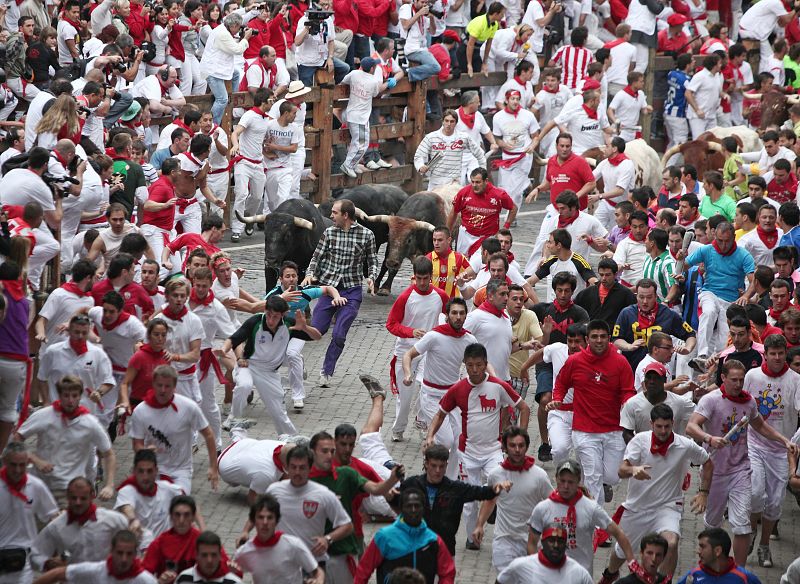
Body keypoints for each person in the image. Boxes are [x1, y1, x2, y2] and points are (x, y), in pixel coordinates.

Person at [686, 359, 799, 567]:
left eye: (741, 380)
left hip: (740, 470)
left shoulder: (749, 402)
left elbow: (760, 426)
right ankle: (709, 567)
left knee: (742, 526)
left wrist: (784, 440)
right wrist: (709, 439)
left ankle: (739, 573)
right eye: (734, 380)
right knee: (713, 525)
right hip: (715, 472)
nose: (738, 384)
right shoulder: (711, 400)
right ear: (723, 378)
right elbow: (691, 427)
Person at [424, 342, 528, 549]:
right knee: (469, 503)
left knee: (501, 485)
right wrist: (430, 436)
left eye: (479, 365)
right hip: (467, 454)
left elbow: (524, 408)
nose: (474, 370)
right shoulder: (458, 389)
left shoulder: (498, 386)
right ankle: (473, 539)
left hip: (493, 451)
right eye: (470, 365)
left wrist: (521, 438)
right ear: (464, 364)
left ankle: (496, 516)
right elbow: (440, 414)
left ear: (485, 364)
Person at [601, 404, 712, 582]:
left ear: (673, 423)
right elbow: (622, 470)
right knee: (621, 552)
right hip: (638, 506)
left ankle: (664, 581)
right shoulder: (639, 441)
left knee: (672, 542)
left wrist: (703, 493)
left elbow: (707, 461)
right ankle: (609, 574)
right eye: (658, 426)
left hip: (667, 507)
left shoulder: (684, 444)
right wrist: (633, 470)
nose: (663, 431)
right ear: (651, 423)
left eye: (667, 426)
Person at [548, 320, 635, 507]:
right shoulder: (575, 361)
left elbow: (628, 390)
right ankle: (596, 527)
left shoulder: (620, 362)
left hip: (613, 429)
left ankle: (584, 482)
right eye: (594, 337)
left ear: (609, 339)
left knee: (611, 477)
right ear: (587, 340)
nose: (599, 340)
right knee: (594, 477)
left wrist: (627, 402)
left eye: (603, 337)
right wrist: (558, 398)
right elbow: (561, 383)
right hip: (584, 430)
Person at [308, 431, 403, 581]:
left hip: (344, 550)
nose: (329, 455)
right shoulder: (302, 480)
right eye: (324, 451)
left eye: (331, 451)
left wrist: (392, 479)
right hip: (310, 551)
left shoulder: (347, 474)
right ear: (312, 452)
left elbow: (377, 488)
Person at [303, 199, 379, 386]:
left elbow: (373, 260)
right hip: (329, 289)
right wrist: (310, 273)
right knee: (316, 330)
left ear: (346, 215)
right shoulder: (329, 233)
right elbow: (316, 257)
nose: (331, 216)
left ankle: (327, 371)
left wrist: (371, 277)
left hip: (352, 291)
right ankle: (295, 359)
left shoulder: (367, 235)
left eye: (334, 213)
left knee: (339, 333)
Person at [742, 334, 800, 567]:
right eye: (772, 354)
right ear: (764, 354)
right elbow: (743, 407)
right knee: (756, 494)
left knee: (775, 502)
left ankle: (764, 545)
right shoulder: (752, 376)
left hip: (781, 449)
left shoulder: (795, 380)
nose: (777, 358)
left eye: (780, 353)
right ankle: (750, 532)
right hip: (754, 444)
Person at [223, 294, 319, 433]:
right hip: (248, 366)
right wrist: (223, 350)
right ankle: (233, 418)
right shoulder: (255, 321)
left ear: (283, 315)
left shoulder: (289, 324)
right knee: (245, 385)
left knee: (279, 412)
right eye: (268, 314)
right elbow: (234, 339)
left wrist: (304, 327)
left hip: (270, 373)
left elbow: (317, 336)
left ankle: (289, 437)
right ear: (265, 311)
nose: (270, 320)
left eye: (275, 317)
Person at [15, 375, 117, 505]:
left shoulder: (90, 423)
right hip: (40, 486)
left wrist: (109, 485)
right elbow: (17, 438)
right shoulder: (44, 415)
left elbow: (109, 453)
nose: (70, 400)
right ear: (59, 395)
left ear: (80, 397)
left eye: (74, 396)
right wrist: (34, 459)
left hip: (70, 490)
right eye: (66, 395)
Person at [401, 297, 477, 469]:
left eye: (462, 313)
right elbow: (408, 355)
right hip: (431, 396)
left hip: (454, 397)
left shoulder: (469, 340)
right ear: (447, 316)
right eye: (454, 313)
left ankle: (449, 477)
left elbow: (481, 364)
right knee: (448, 440)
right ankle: (431, 459)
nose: (458, 317)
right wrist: (407, 375)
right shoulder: (434, 336)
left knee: (460, 440)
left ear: (466, 316)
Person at [527, 459, 633, 574]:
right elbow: (532, 543)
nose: (566, 486)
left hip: (581, 575)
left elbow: (618, 532)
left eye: (570, 482)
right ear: (556, 478)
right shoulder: (543, 508)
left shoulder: (590, 508)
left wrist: (632, 561)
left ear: (578, 481)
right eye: (562, 481)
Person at [400, 444, 507, 555]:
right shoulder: (412, 484)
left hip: (445, 550)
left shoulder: (455, 489)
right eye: (433, 466)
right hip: (416, 547)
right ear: (426, 464)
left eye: (441, 466)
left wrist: (495, 489)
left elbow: (478, 492)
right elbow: (394, 501)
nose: (437, 470)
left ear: (446, 465)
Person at [129, 365, 219, 494]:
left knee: (178, 504)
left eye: (167, 386)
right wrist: (144, 452)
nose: (163, 390)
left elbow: (209, 434)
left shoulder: (188, 407)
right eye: (159, 385)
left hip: (180, 471)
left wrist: (213, 467)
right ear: (153, 384)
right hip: (152, 470)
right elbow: (137, 443)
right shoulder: (140, 411)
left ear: (175, 386)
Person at [386, 257, 448, 441]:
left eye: (425, 278)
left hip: (429, 352)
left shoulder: (440, 296)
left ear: (431, 277)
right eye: (419, 278)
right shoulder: (405, 297)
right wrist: (411, 332)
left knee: (425, 389)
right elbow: (391, 324)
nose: (422, 283)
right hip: (406, 352)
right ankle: (398, 428)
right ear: (414, 276)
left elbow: (451, 316)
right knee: (404, 398)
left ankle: (422, 420)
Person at [472, 427, 552, 571]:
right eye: (512, 445)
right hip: (504, 540)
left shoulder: (539, 476)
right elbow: (490, 500)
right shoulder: (496, 475)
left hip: (531, 541)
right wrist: (479, 525)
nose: (517, 450)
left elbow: (552, 502)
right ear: (505, 447)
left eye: (521, 446)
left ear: (527, 447)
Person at [680, 221, 756, 362]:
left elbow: (754, 280)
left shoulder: (743, 255)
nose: (723, 245)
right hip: (710, 293)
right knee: (708, 312)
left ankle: (717, 363)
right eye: (720, 240)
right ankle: (702, 355)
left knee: (724, 337)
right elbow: (684, 266)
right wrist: (680, 258)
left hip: (731, 300)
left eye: (727, 241)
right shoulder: (706, 250)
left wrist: (746, 296)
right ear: (714, 236)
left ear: (734, 237)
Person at [356, 488, 456, 584]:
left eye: (417, 506)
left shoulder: (433, 540)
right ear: (401, 508)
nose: (413, 510)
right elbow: (364, 570)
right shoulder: (384, 537)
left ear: (423, 508)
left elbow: (447, 573)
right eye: (409, 506)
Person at [30, 476, 128, 571]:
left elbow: (133, 542)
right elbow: (35, 554)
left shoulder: (113, 520)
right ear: (67, 496)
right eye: (74, 498)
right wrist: (47, 564)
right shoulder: (57, 526)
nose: (78, 502)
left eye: (83, 498)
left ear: (92, 496)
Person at [0, 441, 59, 584]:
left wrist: (57, 548)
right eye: (14, 464)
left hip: (24, 558)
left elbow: (53, 516)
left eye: (22, 465)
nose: (18, 470)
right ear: (5, 462)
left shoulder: (35, 485)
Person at [235, 495, 324, 584]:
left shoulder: (293, 545)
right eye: (260, 517)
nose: (265, 522)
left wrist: (319, 580)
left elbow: (317, 571)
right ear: (254, 521)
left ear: (276, 520)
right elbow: (231, 573)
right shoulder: (246, 551)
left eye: (270, 518)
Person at [613, 278, 696, 371]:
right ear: (636, 296)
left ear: (656, 296)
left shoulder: (668, 314)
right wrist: (629, 346)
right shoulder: (627, 313)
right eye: (641, 297)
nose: (645, 301)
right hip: (632, 368)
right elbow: (616, 339)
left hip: (660, 371)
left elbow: (690, 334)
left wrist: (687, 349)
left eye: (649, 297)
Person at [33, 529, 156, 584]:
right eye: (120, 553)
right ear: (112, 551)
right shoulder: (95, 570)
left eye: (129, 554)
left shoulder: (146, 580)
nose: (124, 559)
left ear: (135, 554)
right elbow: (57, 574)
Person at [339, 58, 393, 178]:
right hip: (360, 116)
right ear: (372, 68)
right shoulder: (373, 80)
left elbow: (344, 81)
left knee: (358, 142)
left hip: (354, 113)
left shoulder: (354, 74)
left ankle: (353, 164)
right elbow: (375, 93)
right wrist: (387, 84)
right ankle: (348, 165)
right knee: (361, 144)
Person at [229, 88, 271, 242]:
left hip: (258, 163)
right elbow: (235, 133)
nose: (272, 103)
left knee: (257, 196)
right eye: (271, 101)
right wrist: (235, 145)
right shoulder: (249, 116)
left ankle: (249, 218)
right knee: (241, 194)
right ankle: (236, 229)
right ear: (263, 102)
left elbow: (263, 139)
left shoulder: (267, 119)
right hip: (244, 162)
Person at [447, 167, 517, 256]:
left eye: (478, 182)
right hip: (465, 236)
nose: (474, 185)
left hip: (487, 238)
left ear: (486, 181)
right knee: (461, 264)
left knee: (482, 265)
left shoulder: (499, 194)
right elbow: (453, 213)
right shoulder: (463, 192)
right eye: (472, 182)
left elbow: (513, 208)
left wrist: (506, 226)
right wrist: (447, 233)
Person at [499, 522, 593, 584]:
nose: (556, 545)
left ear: (565, 545)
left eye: (560, 541)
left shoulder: (579, 573)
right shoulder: (520, 566)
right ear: (543, 542)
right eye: (551, 541)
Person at [415, 110, 486, 189]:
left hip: (454, 183)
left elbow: (479, 154)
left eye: (452, 121)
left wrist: (483, 172)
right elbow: (419, 155)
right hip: (435, 182)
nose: (449, 124)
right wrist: (421, 166)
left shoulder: (463, 137)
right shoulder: (431, 137)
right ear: (443, 121)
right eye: (446, 121)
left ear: (456, 123)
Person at [200, 12, 251, 124]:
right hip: (212, 71)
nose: (239, 30)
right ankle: (213, 124)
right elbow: (237, 50)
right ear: (233, 26)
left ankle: (231, 99)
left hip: (218, 68)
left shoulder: (223, 29)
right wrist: (246, 38)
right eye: (239, 27)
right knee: (222, 100)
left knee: (236, 73)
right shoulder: (222, 34)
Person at [676, 528, 763, 584]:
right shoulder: (693, 575)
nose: (698, 552)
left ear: (718, 551)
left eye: (702, 547)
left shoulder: (745, 578)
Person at [588, 137, 637, 231]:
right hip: (605, 203)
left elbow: (620, 190)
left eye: (607, 146)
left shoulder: (627, 164)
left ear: (614, 149)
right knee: (593, 229)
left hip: (622, 208)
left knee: (615, 235)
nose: (604, 149)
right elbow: (590, 179)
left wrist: (598, 196)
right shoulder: (605, 163)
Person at [575, 258, 636, 326]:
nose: (604, 278)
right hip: (591, 333)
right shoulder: (587, 293)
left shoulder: (626, 294)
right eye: (601, 275)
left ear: (615, 274)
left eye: (607, 275)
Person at [177, 530, 242, 584]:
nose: (209, 560)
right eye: (204, 555)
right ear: (196, 555)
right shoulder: (183, 578)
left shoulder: (234, 582)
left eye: (214, 555)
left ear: (220, 555)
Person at [426, 227, 472, 299]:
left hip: (452, 303)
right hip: (432, 302)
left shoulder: (459, 258)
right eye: (434, 240)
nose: (436, 243)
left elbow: (472, 271)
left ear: (449, 240)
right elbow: (415, 281)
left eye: (440, 240)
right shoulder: (427, 259)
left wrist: (463, 275)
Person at [686, 54, 723, 138]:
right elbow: (688, 93)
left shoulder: (717, 76)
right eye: (719, 63)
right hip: (698, 117)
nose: (721, 65)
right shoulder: (700, 76)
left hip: (711, 116)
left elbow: (717, 91)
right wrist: (697, 110)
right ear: (714, 65)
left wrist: (724, 95)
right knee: (699, 142)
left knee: (713, 141)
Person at [739, 203, 783, 267]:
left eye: (771, 217)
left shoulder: (783, 235)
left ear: (776, 218)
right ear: (758, 218)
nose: (768, 220)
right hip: (758, 276)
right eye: (764, 217)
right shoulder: (746, 240)